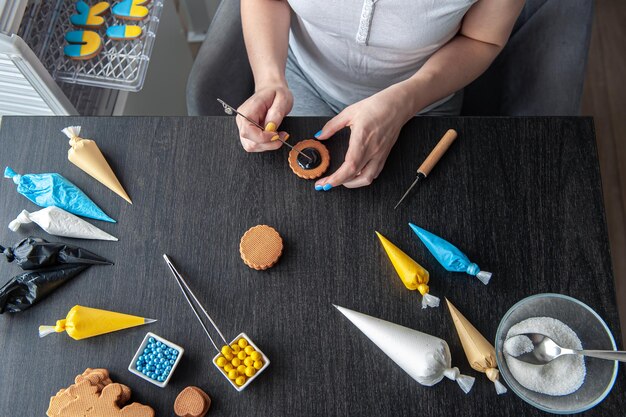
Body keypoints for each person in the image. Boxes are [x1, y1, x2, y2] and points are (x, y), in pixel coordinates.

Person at [236, 0, 524, 190]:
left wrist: (404, 102)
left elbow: (482, 39)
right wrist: (269, 79)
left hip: (420, 100)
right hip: (302, 82)